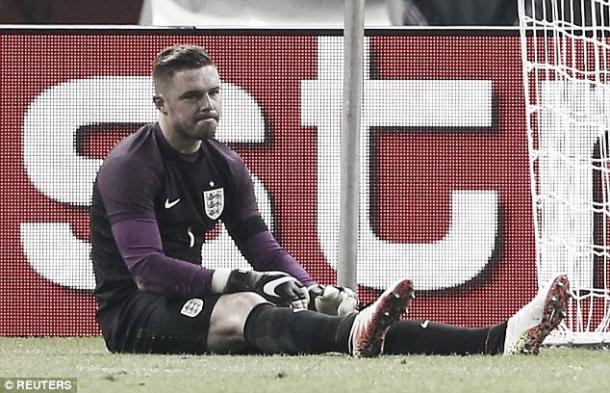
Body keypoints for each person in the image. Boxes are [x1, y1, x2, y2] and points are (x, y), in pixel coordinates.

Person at [90, 44, 570, 357]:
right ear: (161, 105)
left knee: (333, 312)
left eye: (214, 92)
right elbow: (147, 269)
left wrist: (310, 286)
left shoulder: (226, 164)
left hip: (189, 299)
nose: (209, 105)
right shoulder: (130, 166)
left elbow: (261, 246)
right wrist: (245, 279)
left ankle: (496, 339)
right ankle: (351, 338)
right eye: (193, 96)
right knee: (240, 304)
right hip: (134, 313)